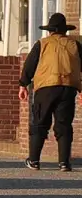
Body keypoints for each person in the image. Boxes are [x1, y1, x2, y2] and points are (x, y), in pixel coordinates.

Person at [20, 12, 80, 172]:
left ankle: (34, 160)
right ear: (65, 30)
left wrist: (23, 85)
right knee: (64, 125)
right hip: (68, 88)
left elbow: (30, 65)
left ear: (50, 30)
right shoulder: (74, 45)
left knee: (40, 123)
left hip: (45, 88)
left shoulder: (42, 44)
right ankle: (64, 163)